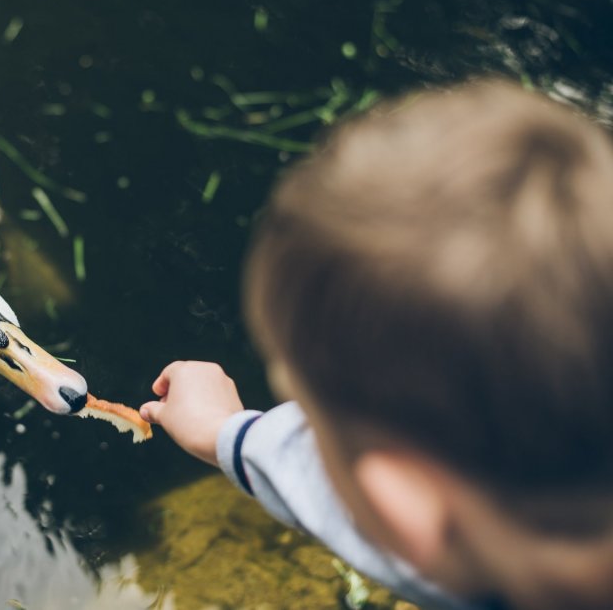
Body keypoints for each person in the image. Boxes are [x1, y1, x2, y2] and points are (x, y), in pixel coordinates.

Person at [139, 80, 613, 610]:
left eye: (312, 424)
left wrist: (230, 434)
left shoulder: (453, 561)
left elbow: (337, 498)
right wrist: (224, 433)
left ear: (402, 512)